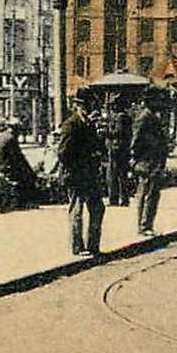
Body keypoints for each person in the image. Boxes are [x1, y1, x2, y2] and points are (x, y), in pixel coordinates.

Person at [59, 93, 105, 256]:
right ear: (78, 106)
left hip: (89, 174)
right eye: (84, 105)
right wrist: (80, 163)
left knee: (98, 208)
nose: (88, 108)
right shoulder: (71, 125)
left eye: (89, 105)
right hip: (76, 174)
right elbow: (63, 153)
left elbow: (96, 146)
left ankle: (93, 245)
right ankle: (77, 247)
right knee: (76, 210)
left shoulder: (89, 124)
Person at [129, 106, 172, 236]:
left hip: (153, 161)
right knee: (148, 193)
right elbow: (136, 140)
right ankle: (144, 225)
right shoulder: (145, 117)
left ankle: (146, 224)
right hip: (147, 161)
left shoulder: (150, 116)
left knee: (151, 193)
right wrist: (135, 158)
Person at [0, 118, 38, 204]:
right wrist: (31, 172)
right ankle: (28, 200)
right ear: (16, 129)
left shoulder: (1, 137)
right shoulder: (10, 139)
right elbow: (19, 158)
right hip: (4, 170)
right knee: (28, 177)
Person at [103, 101, 132, 207]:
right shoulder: (124, 117)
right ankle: (123, 198)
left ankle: (115, 199)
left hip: (117, 149)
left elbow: (118, 132)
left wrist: (106, 131)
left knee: (113, 175)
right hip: (120, 148)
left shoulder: (120, 117)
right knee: (121, 175)